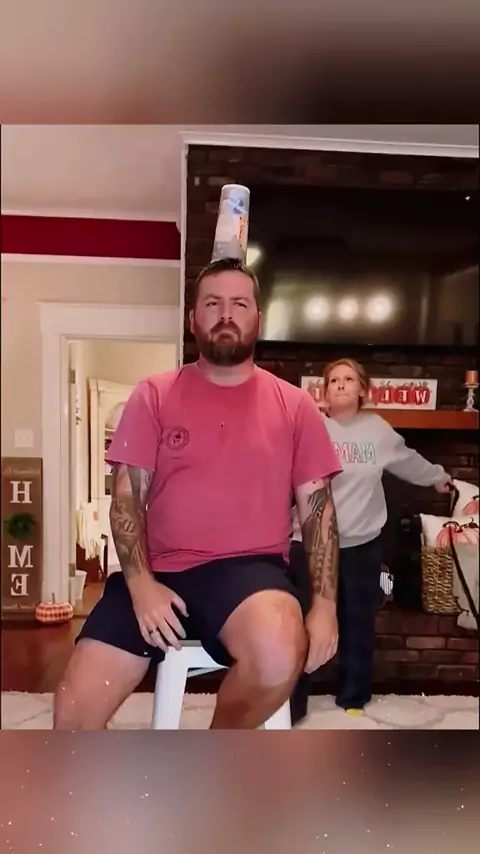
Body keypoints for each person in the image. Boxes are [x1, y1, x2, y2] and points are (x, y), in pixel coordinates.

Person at [53, 258, 342, 730]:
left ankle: (209, 761)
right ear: (193, 319)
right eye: (212, 303)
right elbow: (126, 500)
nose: (225, 314)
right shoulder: (154, 394)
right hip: (156, 569)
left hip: (248, 575)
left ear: (258, 319)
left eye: (239, 304)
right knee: (73, 711)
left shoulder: (296, 406)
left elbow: (318, 512)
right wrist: (142, 587)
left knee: (277, 653)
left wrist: (326, 607)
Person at [292, 358, 452, 716]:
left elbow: (409, 461)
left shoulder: (378, 431)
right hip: (311, 546)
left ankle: (353, 697)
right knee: (301, 621)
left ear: (363, 388)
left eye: (349, 379)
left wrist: (440, 478)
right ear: (324, 390)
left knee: (358, 622)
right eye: (334, 380)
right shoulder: (310, 426)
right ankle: (294, 701)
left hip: (361, 545)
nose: (340, 384)